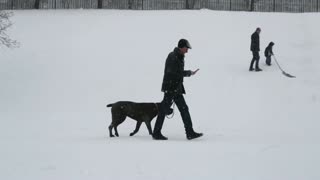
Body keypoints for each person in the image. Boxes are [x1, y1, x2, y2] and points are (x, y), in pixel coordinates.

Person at [152, 39, 203, 140]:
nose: (187, 51)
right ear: (182, 47)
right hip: (171, 88)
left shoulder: (179, 56)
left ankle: (189, 132)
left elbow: (177, 72)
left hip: (176, 89)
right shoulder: (172, 56)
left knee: (183, 109)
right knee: (164, 109)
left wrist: (188, 73)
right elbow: (173, 73)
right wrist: (188, 73)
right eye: (186, 48)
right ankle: (156, 133)